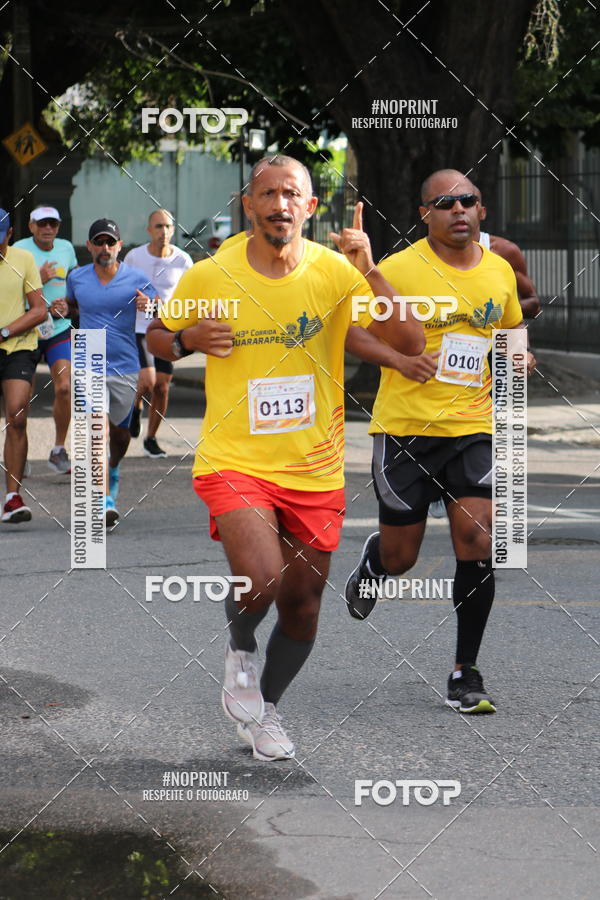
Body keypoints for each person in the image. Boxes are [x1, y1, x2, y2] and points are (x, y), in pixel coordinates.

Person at [147, 154, 424, 760]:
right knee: (263, 576)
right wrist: (188, 340)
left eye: (290, 193)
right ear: (248, 205)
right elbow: (158, 337)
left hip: (315, 465)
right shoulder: (211, 275)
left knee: (302, 606)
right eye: (267, 193)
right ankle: (240, 649)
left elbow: (410, 341)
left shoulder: (333, 272)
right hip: (234, 459)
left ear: (309, 206)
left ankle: (265, 712)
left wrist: (371, 272)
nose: (278, 204)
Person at [344, 169, 535, 714]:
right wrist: (401, 358)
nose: (459, 210)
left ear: (482, 211)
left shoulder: (499, 271)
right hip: (405, 430)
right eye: (445, 203)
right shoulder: (397, 268)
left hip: (473, 427)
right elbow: (353, 330)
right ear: (424, 214)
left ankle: (464, 670)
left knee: (477, 540)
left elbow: (510, 331)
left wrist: (517, 354)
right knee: (403, 557)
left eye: (468, 201)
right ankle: (375, 565)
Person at [59, 219, 156, 526]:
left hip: (126, 365)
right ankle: (102, 500)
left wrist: (149, 305)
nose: (105, 248)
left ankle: (113, 468)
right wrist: (63, 308)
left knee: (120, 433)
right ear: (89, 246)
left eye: (110, 242)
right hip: (89, 359)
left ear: (119, 246)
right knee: (97, 430)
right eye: (98, 242)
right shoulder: (77, 277)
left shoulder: (136, 278)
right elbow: (73, 308)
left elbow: (162, 311)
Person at [14, 206, 78, 474]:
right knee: (22, 396)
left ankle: (58, 449)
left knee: (64, 387)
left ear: (58, 227)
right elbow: (8, 292)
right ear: (31, 226)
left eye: (52, 223)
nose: (47, 228)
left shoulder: (66, 249)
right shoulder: (19, 248)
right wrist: (35, 281)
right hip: (27, 326)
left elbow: (74, 285)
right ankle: (20, 451)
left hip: (58, 327)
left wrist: (68, 305)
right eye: (41, 224)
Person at [124, 210, 193, 458]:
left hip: (168, 329)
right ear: (149, 230)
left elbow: (190, 301)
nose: (163, 232)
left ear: (173, 230)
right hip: (140, 329)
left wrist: (159, 308)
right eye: (158, 227)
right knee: (148, 381)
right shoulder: (134, 257)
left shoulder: (183, 261)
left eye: (167, 227)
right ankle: (135, 405)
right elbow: (122, 289)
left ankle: (150, 438)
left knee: (162, 387)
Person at [0, 209, 47, 522]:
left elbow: (40, 310)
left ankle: (13, 497)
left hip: (17, 345)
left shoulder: (23, 260)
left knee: (17, 414)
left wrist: (4, 331)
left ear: (10, 233)